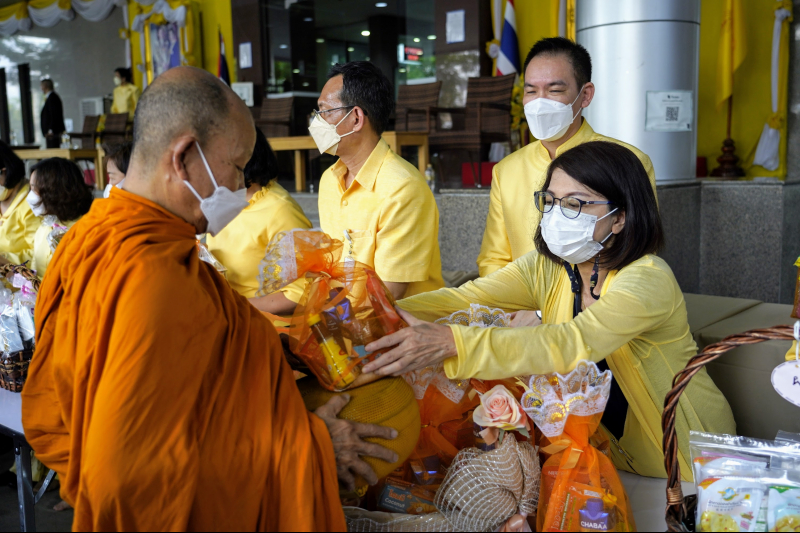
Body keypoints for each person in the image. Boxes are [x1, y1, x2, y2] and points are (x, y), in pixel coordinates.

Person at [21, 66, 398, 531]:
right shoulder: (148, 276)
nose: (240, 187)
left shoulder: (93, 238)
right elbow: (128, 478)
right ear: (184, 158)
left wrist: (276, 349)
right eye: (237, 167)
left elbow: (52, 417)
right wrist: (308, 446)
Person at [363, 141, 735, 481]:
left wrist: (453, 343)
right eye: (551, 201)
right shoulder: (549, 268)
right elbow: (464, 299)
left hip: (692, 460)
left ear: (620, 217)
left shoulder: (648, 279)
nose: (557, 215)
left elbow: (572, 342)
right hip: (612, 459)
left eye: (576, 204)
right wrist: (368, 312)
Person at [251, 61, 444, 315]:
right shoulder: (329, 180)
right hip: (347, 320)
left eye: (324, 111)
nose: (316, 122)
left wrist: (328, 316)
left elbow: (390, 293)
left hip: (403, 326)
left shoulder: (402, 188)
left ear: (355, 118)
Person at [478, 38, 657, 281]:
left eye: (554, 90)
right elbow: (494, 258)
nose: (540, 102)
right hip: (522, 302)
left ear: (585, 95)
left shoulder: (629, 161)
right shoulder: (507, 169)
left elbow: (638, 255)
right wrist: (511, 301)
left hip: (600, 301)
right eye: (531, 91)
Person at [206, 127, 311, 298]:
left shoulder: (280, 211)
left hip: (255, 313)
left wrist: (231, 308)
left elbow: (300, 294)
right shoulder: (221, 200)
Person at [26, 158, 94, 279]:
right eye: (30, 188)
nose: (30, 195)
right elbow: (36, 271)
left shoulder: (83, 231)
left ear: (55, 191)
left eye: (34, 189)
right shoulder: (44, 227)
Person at [0, 141, 41, 265]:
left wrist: (5, 259)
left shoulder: (31, 203)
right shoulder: (3, 197)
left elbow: (40, 254)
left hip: (21, 275)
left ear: (4, 171)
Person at [40, 78, 66, 149]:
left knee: (54, 151)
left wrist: (51, 129)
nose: (41, 88)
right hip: (51, 133)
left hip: (53, 133)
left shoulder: (53, 98)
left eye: (42, 86)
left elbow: (54, 115)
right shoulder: (50, 97)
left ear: (45, 86)